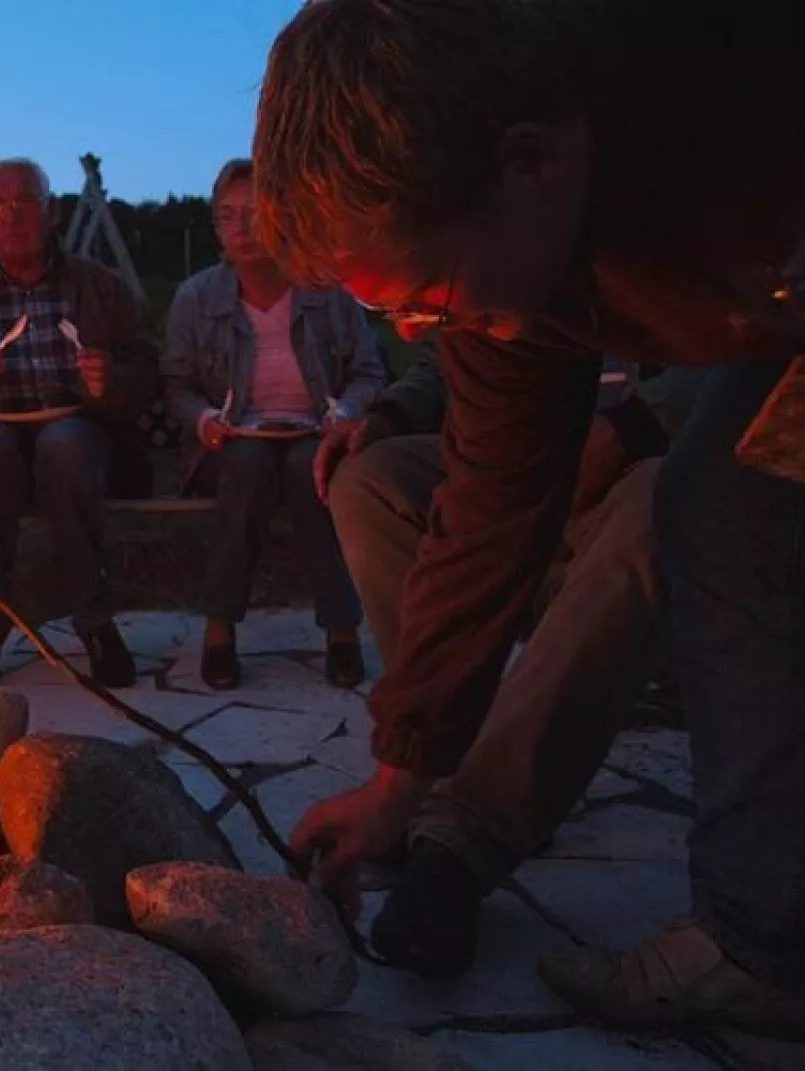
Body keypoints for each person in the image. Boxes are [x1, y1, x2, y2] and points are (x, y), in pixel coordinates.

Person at [254, 0, 805, 1035]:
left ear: (530, 163)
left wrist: (643, 423)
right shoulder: (508, 258)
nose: (421, 328)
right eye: (391, 315)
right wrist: (396, 778)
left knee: (718, 501)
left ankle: (758, 944)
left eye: (423, 294)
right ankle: (757, 942)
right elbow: (490, 510)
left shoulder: (731, 80)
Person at [322, 350, 703, 977]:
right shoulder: (510, 268)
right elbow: (458, 355)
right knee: (370, 479)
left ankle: (466, 838)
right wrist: (391, 411)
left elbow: (756, 353)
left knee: (662, 500)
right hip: (527, 456)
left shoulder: (691, 258)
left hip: (646, 460)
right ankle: (435, 763)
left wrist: (641, 423)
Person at [0, 158, 159, 687]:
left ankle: (95, 623)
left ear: (53, 212)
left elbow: (147, 375)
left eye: (24, 202)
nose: (11, 216)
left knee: (66, 444)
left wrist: (109, 381)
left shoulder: (97, 286)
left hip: (77, 427)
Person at [163, 158, 383, 690]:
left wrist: (347, 414)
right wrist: (205, 420)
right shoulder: (197, 298)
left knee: (315, 471)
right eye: (230, 216)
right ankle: (219, 632)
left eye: (257, 214)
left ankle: (341, 630)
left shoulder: (326, 292)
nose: (244, 229)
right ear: (216, 225)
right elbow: (177, 386)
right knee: (245, 465)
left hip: (314, 432)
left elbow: (369, 371)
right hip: (236, 439)